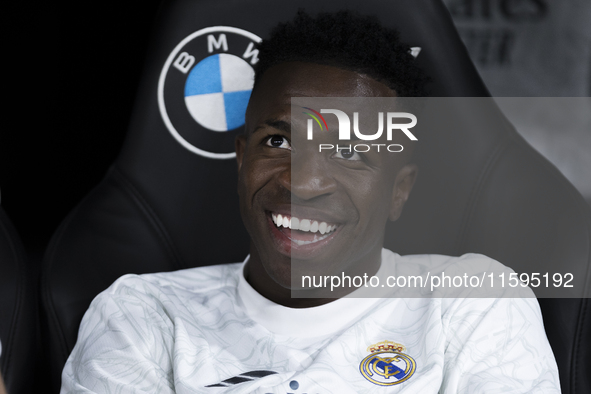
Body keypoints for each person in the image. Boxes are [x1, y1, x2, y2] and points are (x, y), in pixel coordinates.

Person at [61, 10, 560, 393]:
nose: (304, 182)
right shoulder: (143, 317)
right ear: (241, 160)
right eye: (278, 142)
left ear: (398, 190)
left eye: (348, 151)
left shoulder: (471, 304)